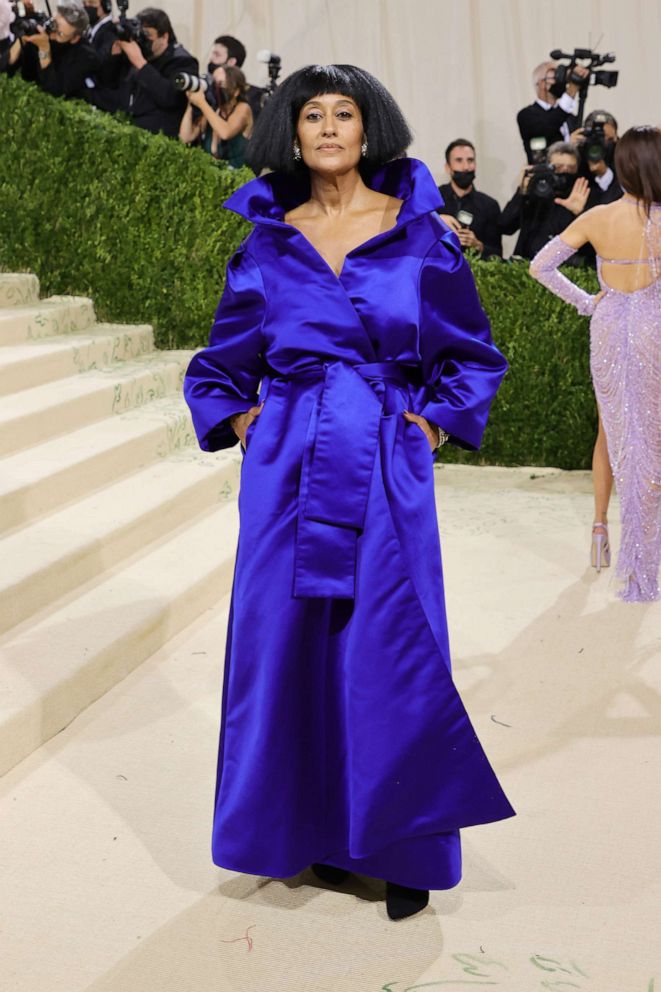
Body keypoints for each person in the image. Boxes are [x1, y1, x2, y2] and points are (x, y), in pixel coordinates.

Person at [183, 63, 515, 921]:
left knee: (390, 648)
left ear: (371, 129)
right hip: (289, 465)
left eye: (345, 114)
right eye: (312, 115)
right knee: (283, 648)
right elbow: (221, 364)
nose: (329, 128)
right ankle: (302, 834)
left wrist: (431, 428)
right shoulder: (265, 241)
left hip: (381, 455)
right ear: (288, 133)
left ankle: (402, 843)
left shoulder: (420, 235)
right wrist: (249, 422)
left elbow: (470, 354)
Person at [530, 126, 661, 602]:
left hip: (608, 326)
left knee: (611, 428)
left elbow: (540, 266)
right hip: (653, 329)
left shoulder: (599, 217)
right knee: (653, 431)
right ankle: (648, 545)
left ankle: (601, 530)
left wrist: (589, 302)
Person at [115, 7, 198, 137]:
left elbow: (169, 97)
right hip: (130, 132)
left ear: (164, 37)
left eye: (147, 35)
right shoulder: (143, 55)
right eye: (139, 35)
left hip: (160, 139)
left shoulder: (183, 62)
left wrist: (140, 63)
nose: (141, 40)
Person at [500, 141, 589, 259]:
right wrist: (522, 192)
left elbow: (593, 249)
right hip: (526, 267)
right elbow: (505, 226)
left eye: (570, 168)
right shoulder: (534, 196)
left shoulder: (585, 197)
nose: (564, 172)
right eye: (558, 167)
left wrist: (579, 215)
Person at [438, 138, 502, 259]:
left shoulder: (489, 205)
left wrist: (478, 245)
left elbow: (497, 254)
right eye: (459, 160)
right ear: (448, 168)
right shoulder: (432, 199)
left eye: (470, 160)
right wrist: (436, 220)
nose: (466, 167)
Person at [179, 65, 253, 168]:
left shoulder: (243, 108)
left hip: (236, 179)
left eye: (220, 84)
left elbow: (225, 132)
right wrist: (191, 103)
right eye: (213, 83)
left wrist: (202, 103)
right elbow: (185, 137)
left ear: (236, 91)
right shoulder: (213, 110)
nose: (215, 88)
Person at [23, 1, 100, 100]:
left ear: (75, 38)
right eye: (53, 24)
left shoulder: (86, 57)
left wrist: (44, 49)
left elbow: (55, 92)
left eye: (60, 34)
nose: (53, 34)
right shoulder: (41, 31)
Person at [517, 59, 589, 164]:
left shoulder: (570, 118)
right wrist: (572, 90)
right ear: (542, 84)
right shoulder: (527, 116)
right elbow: (548, 126)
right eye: (556, 76)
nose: (561, 81)